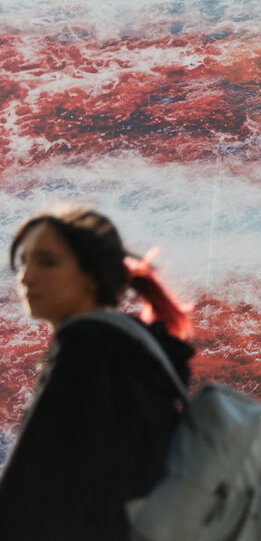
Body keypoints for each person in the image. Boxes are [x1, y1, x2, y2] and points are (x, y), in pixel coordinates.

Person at [0, 205, 194, 540]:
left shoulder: (85, 350)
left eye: (47, 262)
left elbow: (24, 490)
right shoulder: (133, 347)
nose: (26, 277)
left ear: (90, 276)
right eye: (24, 262)